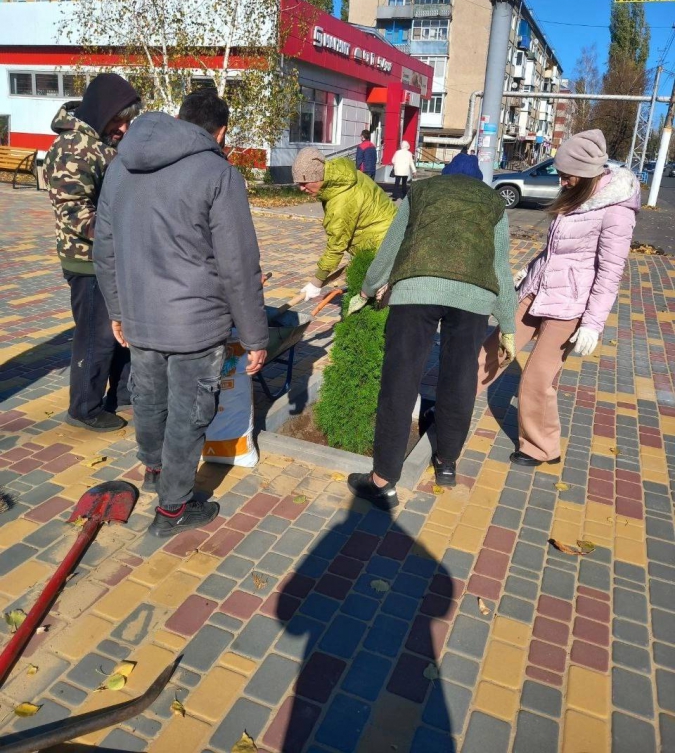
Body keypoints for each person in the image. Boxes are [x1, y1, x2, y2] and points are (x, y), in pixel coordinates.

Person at [93, 91, 269, 537]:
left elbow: (105, 249)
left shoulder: (121, 165)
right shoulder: (217, 172)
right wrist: (254, 336)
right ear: (221, 131)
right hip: (196, 323)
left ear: (180, 119)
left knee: (149, 401)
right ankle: (172, 509)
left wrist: (118, 310)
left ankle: (154, 474)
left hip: (140, 317)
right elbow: (238, 265)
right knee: (189, 415)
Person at [347, 152, 517, 509]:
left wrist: (367, 289)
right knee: (458, 378)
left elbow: (391, 247)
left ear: (446, 176)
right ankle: (447, 464)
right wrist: (508, 326)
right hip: (473, 298)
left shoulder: (422, 192)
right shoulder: (492, 202)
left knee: (400, 380)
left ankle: (383, 481)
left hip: (415, 291)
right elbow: (501, 267)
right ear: (478, 182)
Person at [478, 129, 640, 468]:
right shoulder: (577, 197)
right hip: (538, 289)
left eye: (567, 175)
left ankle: (541, 447)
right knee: (494, 348)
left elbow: (610, 272)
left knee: (537, 377)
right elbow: (556, 251)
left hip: (570, 307)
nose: (562, 181)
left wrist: (593, 324)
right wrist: (529, 270)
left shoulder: (616, 210)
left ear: (587, 174)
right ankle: (452, 406)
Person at [44, 73, 141, 432]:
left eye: (127, 120)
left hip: (110, 256)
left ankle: (121, 392)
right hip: (87, 261)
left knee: (119, 330)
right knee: (95, 336)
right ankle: (84, 407)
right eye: (119, 119)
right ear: (102, 112)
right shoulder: (72, 147)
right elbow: (74, 211)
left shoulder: (98, 143)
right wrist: (122, 234)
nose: (124, 127)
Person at [293, 147, 397, 302]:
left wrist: (317, 282)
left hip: (380, 245)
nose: (301, 188)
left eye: (304, 182)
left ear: (317, 176)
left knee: (379, 301)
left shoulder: (341, 201)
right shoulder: (342, 175)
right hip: (390, 231)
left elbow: (336, 245)